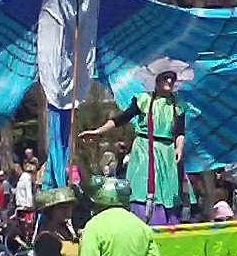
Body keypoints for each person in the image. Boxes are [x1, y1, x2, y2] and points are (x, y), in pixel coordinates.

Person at [79, 70, 186, 226]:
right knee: (142, 188)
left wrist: (179, 148)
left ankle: (166, 225)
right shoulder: (143, 100)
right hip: (145, 148)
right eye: (165, 77)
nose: (169, 80)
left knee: (167, 192)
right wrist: (98, 132)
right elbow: (121, 118)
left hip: (167, 151)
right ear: (156, 80)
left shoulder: (178, 105)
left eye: (172, 78)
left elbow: (180, 132)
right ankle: (141, 222)